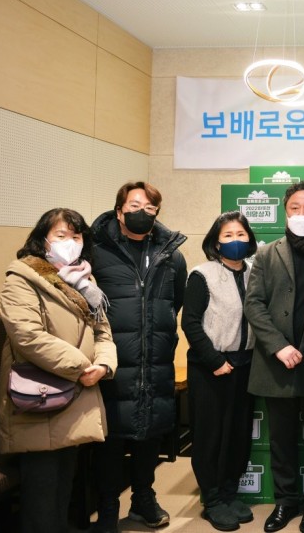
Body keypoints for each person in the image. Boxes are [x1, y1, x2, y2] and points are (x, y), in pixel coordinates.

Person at [0, 208, 117, 533]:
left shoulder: (85, 281)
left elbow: (103, 331)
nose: (69, 243)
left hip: (78, 395)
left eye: (76, 237)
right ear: (43, 240)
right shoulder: (22, 278)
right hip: (40, 398)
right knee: (42, 497)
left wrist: (104, 364)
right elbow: (28, 336)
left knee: (64, 489)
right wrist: (81, 368)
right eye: (61, 235)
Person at [245, 181, 304, 533]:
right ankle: (285, 501)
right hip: (278, 363)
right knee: (281, 439)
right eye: (295, 208)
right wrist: (278, 345)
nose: (302, 214)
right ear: (284, 213)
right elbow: (254, 304)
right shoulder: (267, 253)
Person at [90, 182, 187, 532]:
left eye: (149, 208)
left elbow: (176, 301)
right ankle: (107, 507)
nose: (141, 212)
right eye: (134, 205)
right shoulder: (96, 251)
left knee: (151, 431)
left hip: (155, 356)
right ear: (119, 211)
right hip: (112, 360)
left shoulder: (170, 254)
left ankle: (143, 498)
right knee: (111, 438)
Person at [181, 212, 258, 531]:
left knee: (238, 434)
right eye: (228, 235)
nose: (235, 240)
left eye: (241, 234)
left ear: (250, 239)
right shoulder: (202, 274)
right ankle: (212, 499)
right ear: (216, 242)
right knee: (211, 435)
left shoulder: (255, 273)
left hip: (246, 365)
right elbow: (190, 322)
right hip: (210, 367)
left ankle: (229, 492)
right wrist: (213, 360)